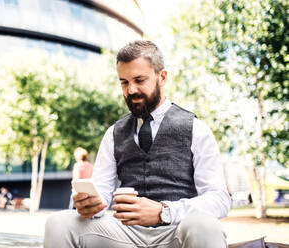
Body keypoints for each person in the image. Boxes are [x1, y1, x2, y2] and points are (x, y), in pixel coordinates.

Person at [44, 40, 231, 248]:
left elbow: (219, 199)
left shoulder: (196, 129)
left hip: (176, 231)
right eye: (124, 82)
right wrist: (90, 203)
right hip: (124, 233)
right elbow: (102, 191)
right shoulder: (113, 133)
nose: (131, 90)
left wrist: (163, 211)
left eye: (139, 80)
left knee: (204, 225)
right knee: (58, 223)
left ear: (162, 77)